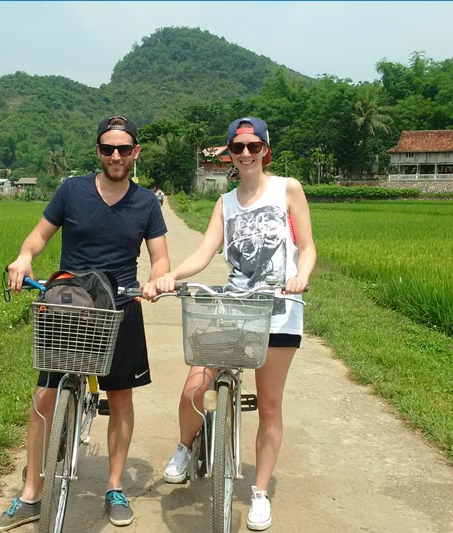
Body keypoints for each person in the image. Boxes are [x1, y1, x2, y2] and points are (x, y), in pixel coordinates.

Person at [0, 115, 169, 532]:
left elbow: (159, 256)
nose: (116, 155)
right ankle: (32, 495)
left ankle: (115, 487)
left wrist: (158, 279)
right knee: (44, 397)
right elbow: (38, 236)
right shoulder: (71, 190)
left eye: (124, 149)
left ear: (135, 152)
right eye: (108, 148)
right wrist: (24, 257)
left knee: (120, 398)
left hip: (120, 304)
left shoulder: (146, 203)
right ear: (98, 152)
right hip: (71, 302)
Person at [155, 117, 316, 531]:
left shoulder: (288, 189)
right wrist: (172, 276)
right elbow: (206, 251)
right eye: (238, 147)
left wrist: (302, 276)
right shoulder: (225, 203)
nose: (246, 153)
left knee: (270, 403)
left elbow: (307, 246)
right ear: (228, 152)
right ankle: (184, 448)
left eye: (254, 145)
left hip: (280, 309)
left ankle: (260, 493)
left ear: (266, 150)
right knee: (195, 384)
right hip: (235, 307)